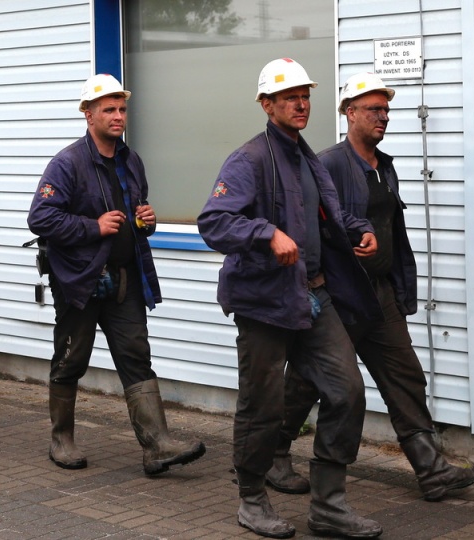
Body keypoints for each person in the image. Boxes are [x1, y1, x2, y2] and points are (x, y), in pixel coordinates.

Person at [266, 72, 474, 503]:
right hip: (340, 294)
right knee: (310, 380)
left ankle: (431, 468)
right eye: (373, 109)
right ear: (349, 113)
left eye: (385, 110)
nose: (382, 117)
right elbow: (308, 227)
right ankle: (274, 453)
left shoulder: (383, 165)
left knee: (405, 374)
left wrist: (403, 286)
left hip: (380, 292)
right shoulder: (328, 163)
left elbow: (394, 231)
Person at [198, 58, 384, 539]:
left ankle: (329, 505)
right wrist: (266, 233)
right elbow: (214, 221)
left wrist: (359, 230)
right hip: (264, 302)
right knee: (262, 404)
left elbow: (331, 213)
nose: (301, 103)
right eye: (289, 97)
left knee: (347, 392)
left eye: (305, 95)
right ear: (267, 105)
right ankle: (252, 500)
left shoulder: (307, 157)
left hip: (314, 296)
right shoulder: (249, 159)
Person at [27, 74, 206, 476]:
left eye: (122, 108)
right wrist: (93, 227)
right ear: (88, 115)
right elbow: (40, 218)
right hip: (80, 282)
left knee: (136, 358)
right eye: (108, 109)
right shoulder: (67, 162)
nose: (118, 115)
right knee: (72, 359)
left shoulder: (131, 160)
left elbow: (136, 216)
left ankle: (157, 446)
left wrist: (148, 220)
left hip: (124, 280)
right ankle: (62, 440)